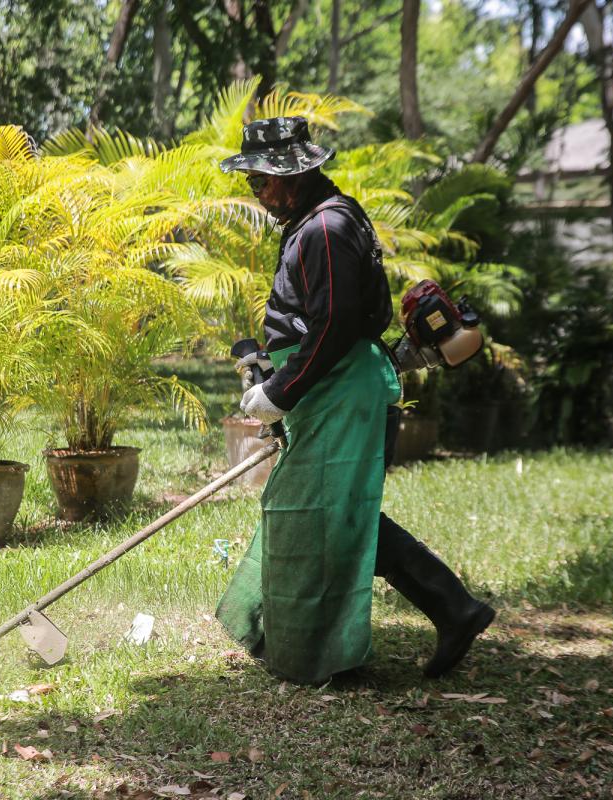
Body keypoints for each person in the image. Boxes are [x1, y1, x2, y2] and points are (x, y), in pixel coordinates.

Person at [214, 116, 495, 685]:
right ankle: (452, 610)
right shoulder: (320, 221)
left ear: (292, 175)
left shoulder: (325, 228)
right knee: (333, 513)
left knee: (325, 513)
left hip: (338, 387)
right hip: (333, 386)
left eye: (261, 181)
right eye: (252, 183)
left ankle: (342, 647)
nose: (258, 193)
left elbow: (336, 324)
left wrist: (280, 391)